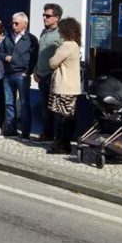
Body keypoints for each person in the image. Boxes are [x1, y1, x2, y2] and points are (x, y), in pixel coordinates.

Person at [0, 12, 39, 138]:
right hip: (8, 74)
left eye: (16, 23)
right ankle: (11, 129)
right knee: (9, 103)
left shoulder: (31, 39)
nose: (13, 25)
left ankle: (25, 131)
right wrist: (6, 57)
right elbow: (0, 53)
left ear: (24, 24)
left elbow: (34, 57)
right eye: (13, 23)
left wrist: (28, 72)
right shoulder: (8, 37)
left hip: (22, 74)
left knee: (24, 104)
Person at [46, 18, 83, 154]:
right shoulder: (75, 45)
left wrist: (54, 60)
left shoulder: (67, 45)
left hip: (64, 87)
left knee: (62, 117)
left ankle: (62, 144)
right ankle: (64, 144)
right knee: (68, 116)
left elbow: (52, 62)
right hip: (71, 87)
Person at [35, 4, 64, 145]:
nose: (44, 18)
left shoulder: (61, 34)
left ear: (57, 18)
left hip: (52, 75)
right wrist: (35, 70)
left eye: (48, 16)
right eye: (43, 15)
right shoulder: (44, 32)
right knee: (45, 107)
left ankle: (55, 136)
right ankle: (47, 133)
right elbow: (40, 53)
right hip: (41, 75)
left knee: (53, 107)